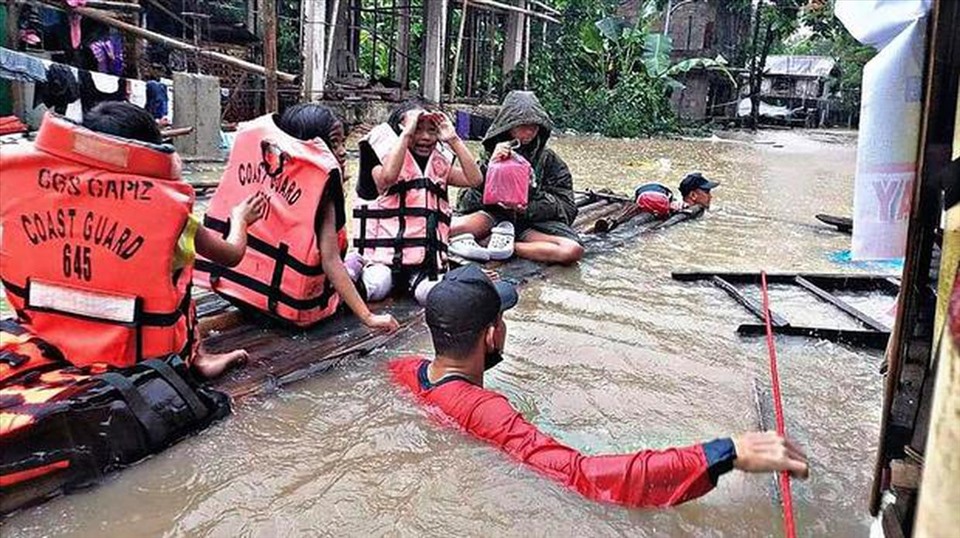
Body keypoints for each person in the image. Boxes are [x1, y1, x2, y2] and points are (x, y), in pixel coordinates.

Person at [390, 265, 809, 508]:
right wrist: (723, 452)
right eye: (502, 320)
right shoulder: (488, 410)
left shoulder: (406, 371)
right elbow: (584, 477)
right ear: (490, 336)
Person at [0, 102, 260, 378]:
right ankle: (199, 358)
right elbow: (231, 254)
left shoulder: (32, 192)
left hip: (48, 336)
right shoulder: (170, 212)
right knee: (179, 275)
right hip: (138, 353)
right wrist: (241, 218)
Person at [195, 104, 398, 333]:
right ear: (311, 145)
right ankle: (360, 263)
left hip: (240, 292)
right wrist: (369, 317)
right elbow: (331, 261)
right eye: (334, 143)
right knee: (375, 276)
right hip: (293, 310)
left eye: (343, 142)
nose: (342, 151)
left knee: (353, 261)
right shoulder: (321, 187)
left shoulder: (261, 164)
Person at [351, 100, 483, 305]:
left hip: (424, 263)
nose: (425, 137)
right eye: (417, 129)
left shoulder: (439, 164)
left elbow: (474, 180)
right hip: (383, 260)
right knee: (377, 286)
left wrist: (454, 139)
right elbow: (387, 179)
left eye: (432, 130)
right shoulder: (379, 159)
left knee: (432, 296)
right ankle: (353, 267)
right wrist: (405, 134)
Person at [450, 91, 584, 265]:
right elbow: (465, 202)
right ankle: (490, 239)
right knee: (448, 229)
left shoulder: (550, 161)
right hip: (492, 218)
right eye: (522, 126)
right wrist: (490, 168)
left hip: (530, 226)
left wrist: (527, 205)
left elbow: (567, 208)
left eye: (534, 127)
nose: (529, 132)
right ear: (509, 126)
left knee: (571, 250)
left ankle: (501, 246)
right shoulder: (491, 154)